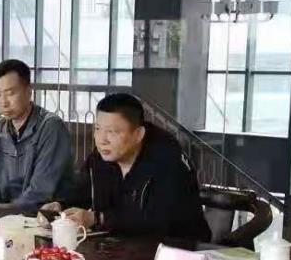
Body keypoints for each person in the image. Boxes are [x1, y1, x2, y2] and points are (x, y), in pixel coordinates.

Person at [51, 92, 210, 241]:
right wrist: (60, 206)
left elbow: (158, 220)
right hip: (117, 248)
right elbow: (83, 191)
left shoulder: (168, 159)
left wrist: (98, 218)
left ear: (138, 134)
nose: (102, 139)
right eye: (98, 129)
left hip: (179, 250)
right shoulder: (101, 157)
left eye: (112, 132)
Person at [0, 59, 74, 213]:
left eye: (10, 93)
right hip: (5, 216)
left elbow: (40, 191)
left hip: (44, 216)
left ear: (29, 92)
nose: (4, 102)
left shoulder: (51, 127)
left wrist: (4, 213)